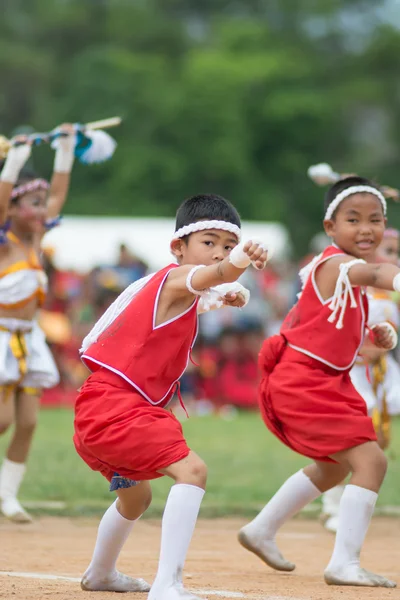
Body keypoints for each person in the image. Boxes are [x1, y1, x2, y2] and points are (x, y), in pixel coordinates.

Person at [73, 193, 268, 598]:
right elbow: (210, 279)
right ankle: (168, 584)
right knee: (192, 472)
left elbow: (204, 294)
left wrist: (231, 290)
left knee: (135, 498)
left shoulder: (172, 288)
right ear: (178, 248)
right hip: (118, 410)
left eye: (228, 245)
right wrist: (240, 261)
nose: (219, 253)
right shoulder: (177, 277)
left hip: (103, 408)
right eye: (209, 242)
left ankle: (100, 573)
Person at [238, 176, 399, 588]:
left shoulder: (348, 277)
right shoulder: (335, 264)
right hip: (304, 382)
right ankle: (344, 563)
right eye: (353, 219)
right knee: (372, 461)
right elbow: (380, 272)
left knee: (332, 467)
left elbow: (332, 331)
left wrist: (377, 336)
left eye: (375, 219)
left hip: (320, 380)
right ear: (330, 227)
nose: (366, 228)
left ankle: (261, 529)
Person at [0, 126, 75, 522]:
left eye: (41, 202)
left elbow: (59, 197)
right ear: (11, 209)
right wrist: (13, 161)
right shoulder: (4, 242)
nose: (42, 209)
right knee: (3, 420)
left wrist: (64, 150)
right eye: (32, 202)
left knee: (27, 422)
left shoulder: (37, 237)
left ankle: (7, 494)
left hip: (29, 339)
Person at [321, 226, 400, 532]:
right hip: (351, 372)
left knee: (376, 440)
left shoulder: (389, 298)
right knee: (349, 440)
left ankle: (353, 501)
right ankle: (334, 502)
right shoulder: (351, 288)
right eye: (389, 252)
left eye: (397, 253)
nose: (394, 258)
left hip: (378, 374)